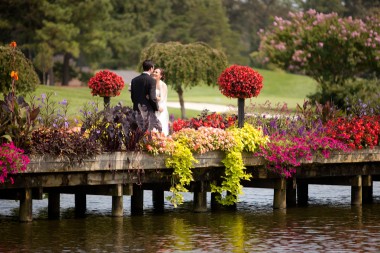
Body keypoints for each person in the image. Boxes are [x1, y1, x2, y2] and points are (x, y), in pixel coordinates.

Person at [130, 60, 161, 131]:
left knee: (137, 133)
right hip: (147, 110)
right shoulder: (151, 80)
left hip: (136, 109)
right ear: (151, 68)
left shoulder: (134, 80)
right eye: (153, 68)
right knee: (147, 132)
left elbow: (133, 96)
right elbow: (152, 97)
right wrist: (156, 107)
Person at [152, 68, 169, 136]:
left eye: (156, 72)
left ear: (160, 76)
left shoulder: (163, 85)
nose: (154, 73)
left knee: (160, 124)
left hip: (161, 107)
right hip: (153, 106)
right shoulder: (152, 83)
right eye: (154, 71)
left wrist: (152, 97)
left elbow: (162, 98)